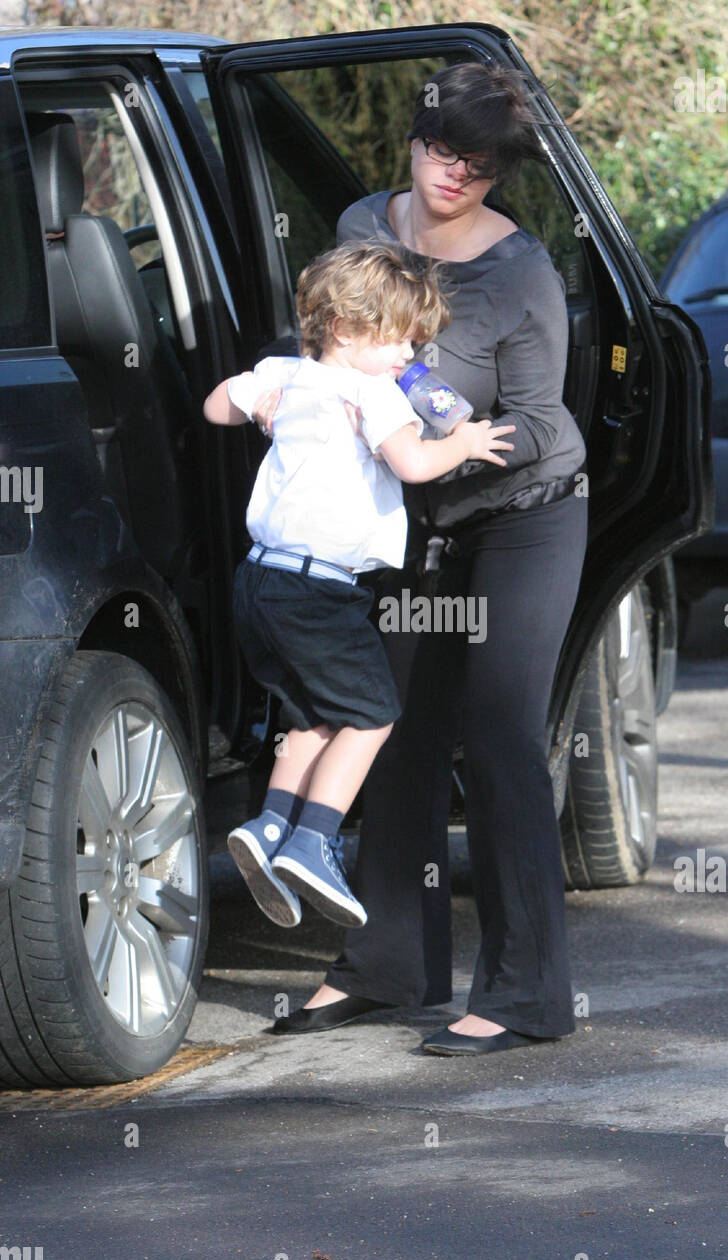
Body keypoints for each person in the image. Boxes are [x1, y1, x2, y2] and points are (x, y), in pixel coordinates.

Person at [259, 61, 590, 1056]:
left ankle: (528, 991)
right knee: (391, 731)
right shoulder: (363, 224)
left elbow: (538, 423)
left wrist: (454, 440)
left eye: (481, 165)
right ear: (413, 140)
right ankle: (389, 962)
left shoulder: (518, 271)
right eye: (444, 152)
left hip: (521, 516)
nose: (457, 175)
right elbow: (333, 340)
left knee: (495, 738)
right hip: (413, 521)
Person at [202, 240, 514, 933]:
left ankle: (269, 828)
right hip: (321, 591)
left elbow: (214, 407)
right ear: (345, 329)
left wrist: (258, 403)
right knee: (372, 716)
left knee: (313, 717)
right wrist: (462, 445)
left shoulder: (285, 372)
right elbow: (413, 463)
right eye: (399, 338)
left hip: (260, 583)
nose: (409, 355)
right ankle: (315, 843)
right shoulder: (371, 392)